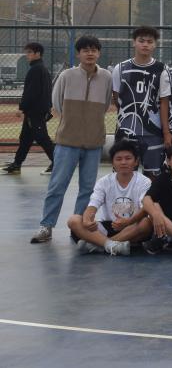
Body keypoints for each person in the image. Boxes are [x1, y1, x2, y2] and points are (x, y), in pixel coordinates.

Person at [31, 35, 113, 244]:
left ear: (99, 53)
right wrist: (70, 123)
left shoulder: (106, 77)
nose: (90, 53)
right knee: (57, 185)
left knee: (87, 188)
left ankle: (78, 228)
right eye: (85, 50)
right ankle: (46, 226)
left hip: (94, 142)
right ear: (78, 54)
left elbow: (105, 105)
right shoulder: (67, 75)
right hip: (67, 141)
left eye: (93, 50)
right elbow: (57, 103)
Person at [68, 139, 153, 255]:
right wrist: (87, 220)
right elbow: (93, 205)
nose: (123, 162)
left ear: (136, 161)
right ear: (112, 162)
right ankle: (112, 245)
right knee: (74, 220)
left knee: (146, 223)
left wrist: (128, 222)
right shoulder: (104, 182)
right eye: (119, 159)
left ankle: (100, 245)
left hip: (132, 225)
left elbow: (145, 209)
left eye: (128, 158)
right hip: (109, 226)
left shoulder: (144, 182)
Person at [110, 26, 172, 178]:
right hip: (126, 131)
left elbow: (164, 102)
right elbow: (117, 98)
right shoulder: (121, 68)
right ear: (134, 42)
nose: (145, 45)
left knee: (153, 175)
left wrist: (166, 132)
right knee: (125, 174)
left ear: (155, 44)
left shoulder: (162, 69)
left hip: (153, 132)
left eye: (149, 42)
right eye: (141, 41)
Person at [4, 41, 55, 176]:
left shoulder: (36, 70)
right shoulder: (41, 69)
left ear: (38, 53)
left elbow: (31, 92)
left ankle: (58, 163)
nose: (27, 55)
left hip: (35, 111)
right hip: (36, 110)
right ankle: (17, 164)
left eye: (30, 52)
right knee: (25, 138)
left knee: (42, 137)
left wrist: (22, 108)